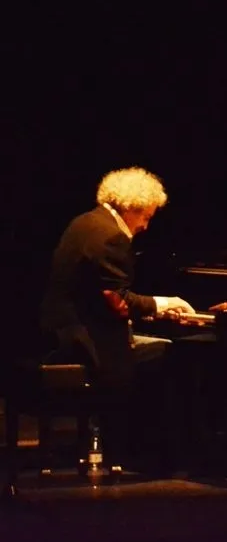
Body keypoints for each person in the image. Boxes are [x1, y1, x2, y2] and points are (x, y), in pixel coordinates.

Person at [39, 166, 198, 473]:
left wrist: (153, 309)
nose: (146, 226)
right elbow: (117, 300)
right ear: (131, 207)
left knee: (159, 347)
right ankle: (163, 455)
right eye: (146, 217)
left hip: (63, 330)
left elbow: (104, 296)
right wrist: (164, 304)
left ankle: (139, 446)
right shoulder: (111, 236)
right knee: (174, 353)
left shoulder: (85, 222)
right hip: (85, 341)